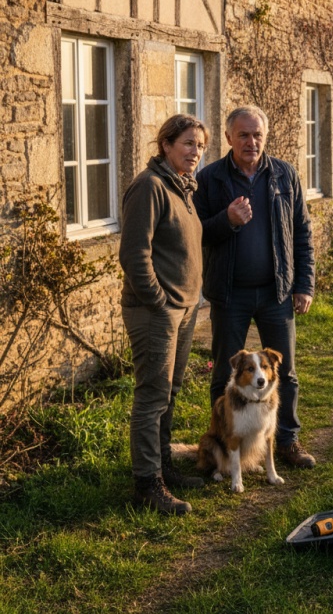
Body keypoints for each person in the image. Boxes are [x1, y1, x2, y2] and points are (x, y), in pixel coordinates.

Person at [194, 105, 316, 468]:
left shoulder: (284, 175)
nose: (251, 142)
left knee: (286, 372)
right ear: (229, 137)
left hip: (276, 292)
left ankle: (287, 441)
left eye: (258, 134)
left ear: (266, 136)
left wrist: (304, 284)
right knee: (225, 373)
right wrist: (227, 220)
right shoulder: (211, 179)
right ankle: (225, 443)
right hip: (229, 294)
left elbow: (302, 234)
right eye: (244, 135)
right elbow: (196, 231)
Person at [119, 113, 210, 516]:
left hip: (185, 308)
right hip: (156, 310)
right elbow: (134, 253)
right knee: (152, 396)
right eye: (189, 143)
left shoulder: (182, 188)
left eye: (201, 146)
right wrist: (158, 300)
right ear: (166, 145)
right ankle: (147, 484)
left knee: (169, 393)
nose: (196, 152)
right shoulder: (150, 186)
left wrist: (186, 302)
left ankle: (164, 467)